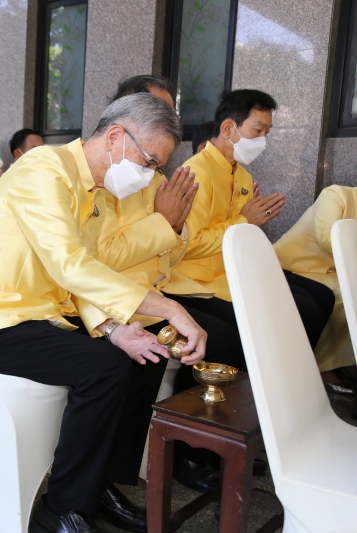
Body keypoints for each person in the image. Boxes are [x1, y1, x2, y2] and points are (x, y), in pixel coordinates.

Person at [0, 93, 208, 533]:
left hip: (41, 315)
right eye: (148, 161)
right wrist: (168, 306)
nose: (149, 176)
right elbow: (71, 265)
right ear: (114, 137)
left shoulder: (94, 192)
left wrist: (113, 328)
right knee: (106, 368)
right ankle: (61, 508)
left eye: (157, 167)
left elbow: (78, 275)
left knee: (142, 352)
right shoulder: (42, 169)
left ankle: (100, 484)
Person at [96, 80, 259, 495]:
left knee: (227, 332)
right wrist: (164, 225)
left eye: (172, 115)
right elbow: (99, 260)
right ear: (123, 115)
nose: (168, 122)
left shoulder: (152, 173)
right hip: (105, 298)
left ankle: (198, 447)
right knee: (153, 351)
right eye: (157, 111)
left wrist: (174, 226)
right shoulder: (107, 173)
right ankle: (175, 455)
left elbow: (173, 250)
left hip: (149, 293)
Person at [173, 89, 334, 353]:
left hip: (236, 271)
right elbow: (189, 244)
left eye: (266, 133)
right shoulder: (195, 174)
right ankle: (268, 380)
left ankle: (289, 374)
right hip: (199, 280)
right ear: (228, 128)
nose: (262, 141)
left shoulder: (243, 177)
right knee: (302, 312)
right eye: (257, 131)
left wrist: (250, 224)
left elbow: (239, 230)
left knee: (320, 299)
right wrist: (244, 221)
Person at [274, 185, 357, 396]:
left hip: (334, 271)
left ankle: (345, 359)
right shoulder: (337, 194)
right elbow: (328, 237)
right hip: (295, 266)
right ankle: (320, 367)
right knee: (338, 296)